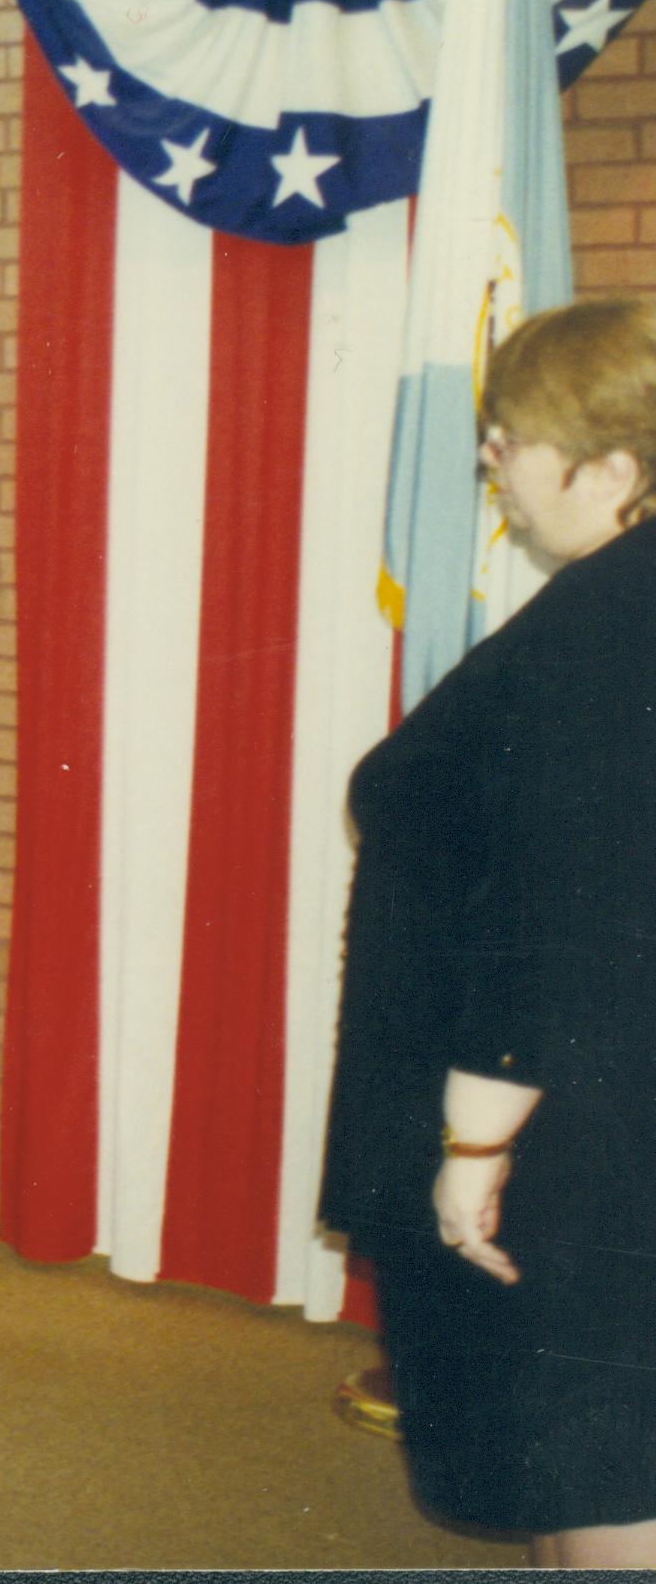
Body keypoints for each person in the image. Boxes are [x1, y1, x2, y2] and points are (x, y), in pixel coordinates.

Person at [321, 295, 656, 1568]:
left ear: (610, 468)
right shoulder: (616, 605)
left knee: (600, 1469)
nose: (489, 462)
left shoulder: (600, 629)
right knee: (584, 1462)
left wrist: (472, 1145)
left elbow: (557, 917)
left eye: (509, 436)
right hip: (592, 1118)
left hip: (564, 1142)